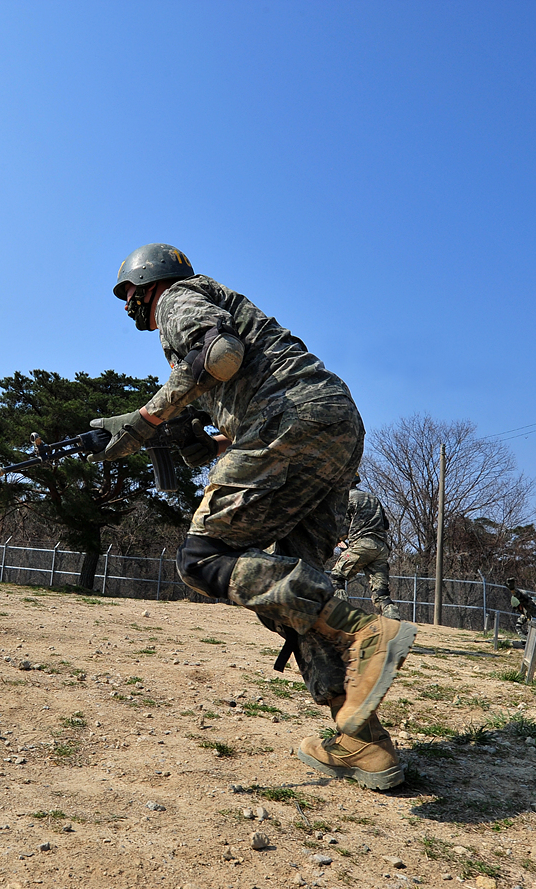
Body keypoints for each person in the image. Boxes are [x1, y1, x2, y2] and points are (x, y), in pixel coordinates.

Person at [87, 243, 417, 790]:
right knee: (287, 593)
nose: (128, 307)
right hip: (329, 426)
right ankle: (363, 740)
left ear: (149, 283)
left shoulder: (177, 298)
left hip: (289, 418)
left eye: (129, 293)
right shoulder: (211, 309)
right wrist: (216, 440)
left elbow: (221, 355)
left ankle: (365, 633)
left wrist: (146, 419)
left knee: (203, 558)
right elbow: (237, 379)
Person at [330, 487, 400, 620]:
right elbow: (385, 524)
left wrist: (335, 542)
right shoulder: (373, 498)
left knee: (336, 578)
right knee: (381, 593)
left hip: (362, 545)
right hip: (381, 548)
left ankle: (339, 616)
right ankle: (393, 622)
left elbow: (342, 530)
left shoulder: (347, 498)